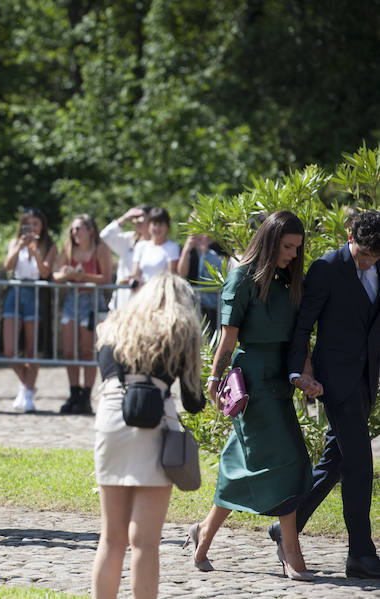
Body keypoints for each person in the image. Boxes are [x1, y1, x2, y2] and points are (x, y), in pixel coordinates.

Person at [189, 210, 317, 581]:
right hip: (253, 383)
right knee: (289, 459)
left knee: (242, 465)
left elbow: (300, 335)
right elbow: (228, 338)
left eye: (297, 247)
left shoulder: (289, 279)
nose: (294, 254)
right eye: (288, 246)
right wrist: (214, 378)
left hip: (281, 378)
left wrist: (305, 374)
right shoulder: (242, 276)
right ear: (270, 240)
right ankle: (290, 550)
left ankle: (203, 533)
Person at [277, 209, 380, 579]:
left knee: (337, 457)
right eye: (364, 254)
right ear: (350, 236)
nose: (368, 262)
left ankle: (287, 524)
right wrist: (297, 371)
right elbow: (302, 326)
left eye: (375, 257)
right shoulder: (325, 268)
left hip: (368, 378)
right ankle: (361, 553)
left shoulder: (378, 265)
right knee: (359, 462)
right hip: (334, 381)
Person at [91, 272, 206, 599]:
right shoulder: (181, 329)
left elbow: (107, 374)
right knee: (145, 542)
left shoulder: (113, 326)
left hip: (111, 417)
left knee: (111, 538)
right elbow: (193, 400)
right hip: (156, 423)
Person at [53, 214, 113, 415]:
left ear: (90, 230)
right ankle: (74, 392)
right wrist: (69, 275)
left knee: (88, 350)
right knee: (69, 350)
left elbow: (106, 277)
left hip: (91, 301)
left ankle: (86, 396)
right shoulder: (70, 248)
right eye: (72, 229)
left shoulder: (100, 249)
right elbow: (56, 274)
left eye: (78, 229)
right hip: (73, 299)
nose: (74, 233)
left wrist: (81, 276)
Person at [2, 207, 57, 412]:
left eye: (36, 223)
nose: (32, 228)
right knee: (9, 350)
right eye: (28, 224)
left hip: (35, 292)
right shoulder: (15, 242)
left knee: (32, 349)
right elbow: (7, 266)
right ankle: (28, 386)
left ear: (42, 225)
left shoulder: (49, 246)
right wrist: (20, 247)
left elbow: (45, 272)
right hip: (15, 290)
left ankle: (26, 392)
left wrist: (34, 251)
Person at [100, 205, 151, 311]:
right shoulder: (129, 240)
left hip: (146, 301)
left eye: (141, 218)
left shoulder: (158, 244)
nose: (137, 221)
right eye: (135, 219)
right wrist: (125, 217)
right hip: (123, 301)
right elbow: (105, 235)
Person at [178, 231, 225, 334]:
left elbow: (215, 277)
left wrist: (204, 253)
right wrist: (186, 250)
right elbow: (182, 273)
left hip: (211, 305)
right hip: (191, 304)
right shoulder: (187, 251)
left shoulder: (214, 253)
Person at [130, 207, 179, 287]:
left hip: (161, 293)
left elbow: (171, 275)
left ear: (167, 226)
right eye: (154, 224)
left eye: (160, 224)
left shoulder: (172, 247)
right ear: (148, 226)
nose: (157, 228)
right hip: (142, 293)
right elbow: (136, 274)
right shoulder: (140, 246)